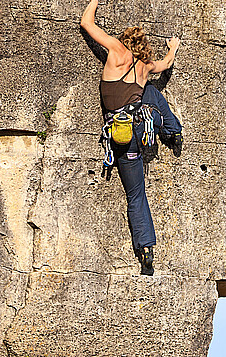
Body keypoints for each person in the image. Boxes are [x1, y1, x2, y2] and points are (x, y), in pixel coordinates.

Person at [80, 0, 183, 275]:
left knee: (135, 194)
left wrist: (94, 1)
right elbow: (167, 63)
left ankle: (145, 249)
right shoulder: (146, 66)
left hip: (121, 135)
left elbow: (87, 24)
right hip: (142, 129)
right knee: (151, 93)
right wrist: (172, 48)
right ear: (144, 47)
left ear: (125, 40)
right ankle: (172, 132)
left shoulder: (116, 51)